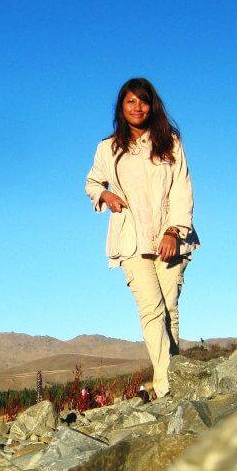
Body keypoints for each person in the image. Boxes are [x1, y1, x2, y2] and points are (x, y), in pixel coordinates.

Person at [84, 77, 199, 399]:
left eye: (143, 101)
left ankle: (173, 378)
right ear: (121, 107)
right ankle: (167, 387)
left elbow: (182, 189)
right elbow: (92, 182)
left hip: (170, 235)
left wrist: (174, 231)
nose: (137, 108)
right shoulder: (107, 148)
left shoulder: (171, 143)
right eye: (130, 102)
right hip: (131, 237)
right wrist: (104, 194)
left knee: (170, 310)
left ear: (153, 106)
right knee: (151, 310)